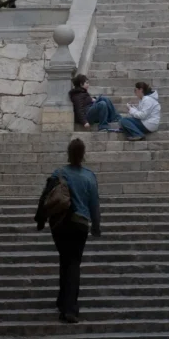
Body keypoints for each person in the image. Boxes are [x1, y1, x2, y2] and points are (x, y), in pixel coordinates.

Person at [34, 138, 101, 324]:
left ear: (68, 153)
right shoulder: (89, 176)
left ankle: (62, 301)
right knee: (73, 263)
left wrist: (40, 220)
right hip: (80, 224)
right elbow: (94, 204)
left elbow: (45, 196)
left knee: (65, 259)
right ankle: (69, 308)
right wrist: (96, 226)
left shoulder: (59, 173)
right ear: (83, 154)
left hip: (60, 224)